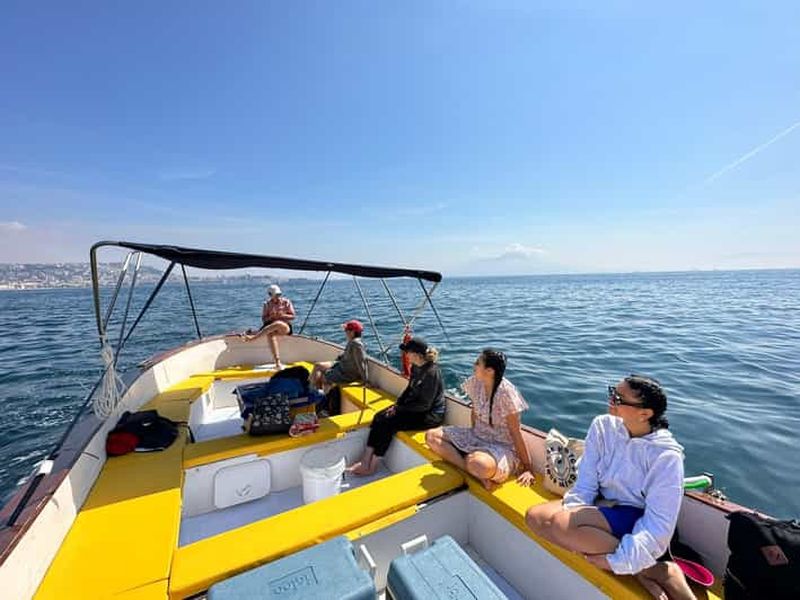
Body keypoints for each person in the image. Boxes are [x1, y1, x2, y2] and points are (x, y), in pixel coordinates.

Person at [524, 376, 695, 600]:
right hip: (603, 505)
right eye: (612, 392)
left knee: (560, 525)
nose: (611, 400)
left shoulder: (665, 456)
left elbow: (659, 525)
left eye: (619, 398)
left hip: (634, 516)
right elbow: (586, 481)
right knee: (534, 517)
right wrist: (575, 511)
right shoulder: (603, 426)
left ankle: (660, 570)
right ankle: (647, 570)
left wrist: (616, 561)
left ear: (645, 414)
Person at [426, 348, 535, 490]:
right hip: (476, 436)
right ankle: (471, 471)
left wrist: (528, 468)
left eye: (478, 363)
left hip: (500, 446)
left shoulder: (506, 393)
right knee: (431, 436)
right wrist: (469, 436)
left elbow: (516, 432)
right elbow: (474, 412)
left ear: (490, 371)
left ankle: (473, 465)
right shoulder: (475, 382)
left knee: (477, 464)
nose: (474, 365)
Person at [349, 337, 445, 476]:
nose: (406, 355)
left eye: (408, 352)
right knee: (379, 417)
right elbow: (409, 390)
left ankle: (372, 466)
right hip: (415, 408)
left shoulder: (431, 373)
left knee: (388, 423)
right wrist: (397, 405)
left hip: (430, 415)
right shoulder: (416, 367)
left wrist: (399, 409)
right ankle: (365, 459)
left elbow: (424, 405)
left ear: (417, 354)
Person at [241, 284, 295, 370]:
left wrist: (282, 315)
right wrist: (271, 317)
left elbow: (293, 316)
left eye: (279, 295)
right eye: (276, 295)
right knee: (270, 334)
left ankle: (253, 338)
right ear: (270, 295)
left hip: (284, 326)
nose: (278, 297)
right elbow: (264, 319)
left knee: (277, 323)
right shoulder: (266, 304)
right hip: (270, 325)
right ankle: (277, 362)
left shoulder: (286, 302)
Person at [309, 320, 367, 391]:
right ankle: (313, 390)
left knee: (323, 376)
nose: (345, 332)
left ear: (352, 332)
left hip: (346, 373)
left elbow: (361, 362)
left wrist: (365, 381)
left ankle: (317, 393)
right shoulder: (352, 342)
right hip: (341, 365)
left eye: (346, 330)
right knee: (318, 365)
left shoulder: (356, 344)